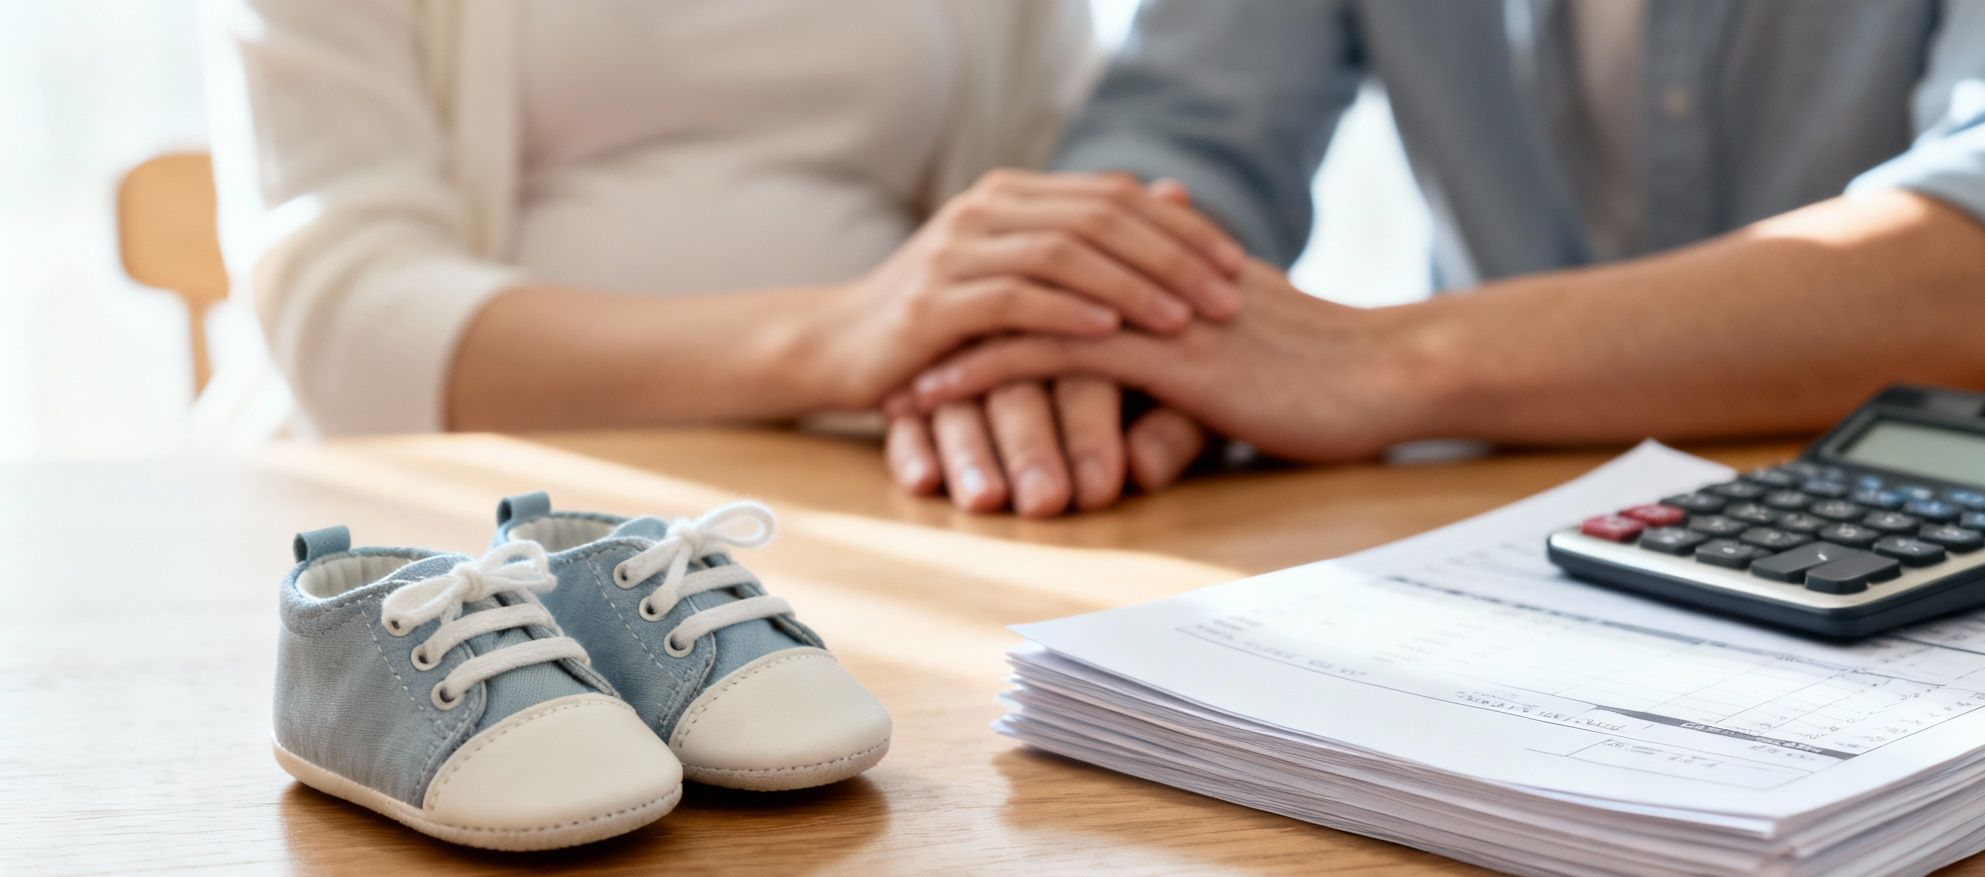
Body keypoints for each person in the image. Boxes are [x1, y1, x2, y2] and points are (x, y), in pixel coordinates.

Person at [896, 0, 1985, 481]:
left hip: (1941, 528)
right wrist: (1082, 321)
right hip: (1481, 524)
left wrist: (1378, 363)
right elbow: (1189, 128)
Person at [203, 0, 1242, 513]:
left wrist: (1084, 330)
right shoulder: (848, 341)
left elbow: (1052, 213)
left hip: (898, 494)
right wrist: (834, 342)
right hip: (449, 529)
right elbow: (345, 319)